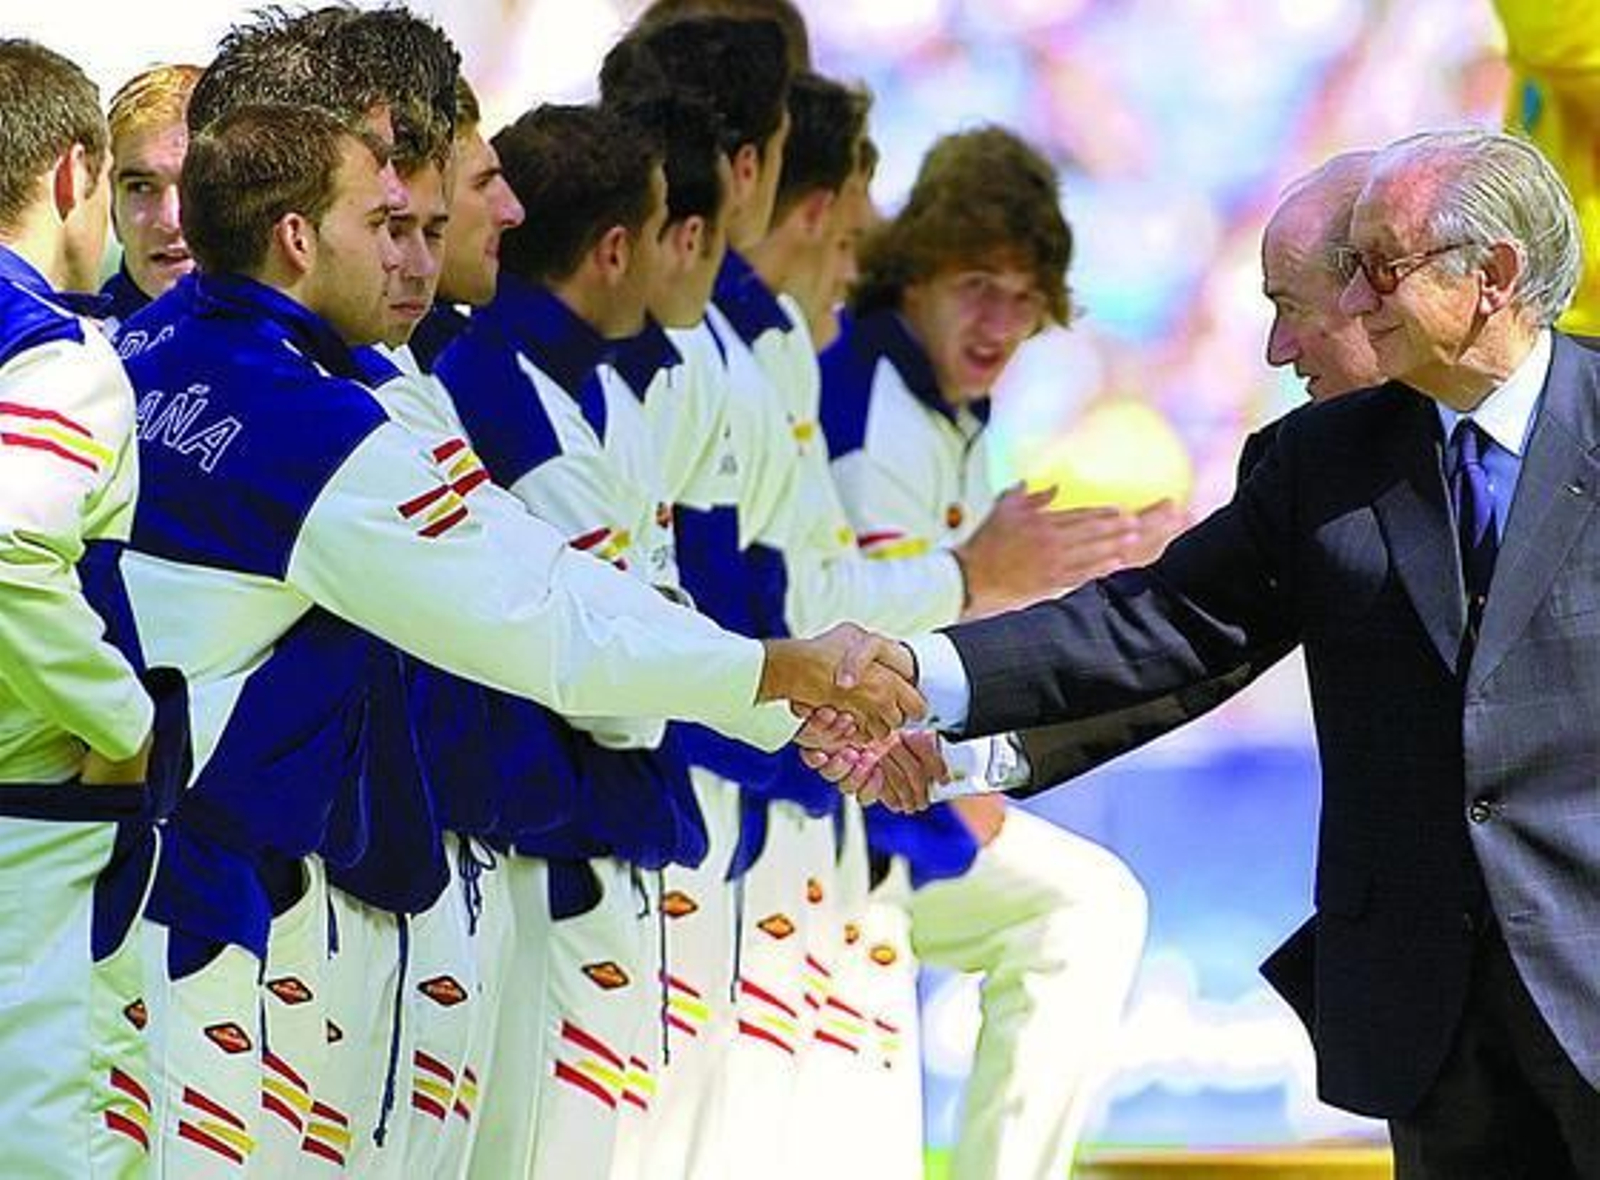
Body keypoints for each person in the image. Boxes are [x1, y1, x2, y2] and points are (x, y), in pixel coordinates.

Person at [848, 128, 1600, 1178]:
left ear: (1494, 277)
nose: (1344, 308)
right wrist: (917, 674)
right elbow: (1163, 626)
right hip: (1434, 1020)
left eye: (1377, 269)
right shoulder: (1325, 459)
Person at [811, 126, 1153, 1180]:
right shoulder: (874, 405)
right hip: (815, 801)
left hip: (847, 790)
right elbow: (851, 645)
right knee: (1082, 912)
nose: (1001, 322)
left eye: (1022, 296)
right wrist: (986, 578)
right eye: (975, 288)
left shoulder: (934, 395)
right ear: (914, 275)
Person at [0, 36, 157, 1180]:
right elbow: (8, 551)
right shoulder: (62, 356)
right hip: (29, 821)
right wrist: (124, 719)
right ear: (73, 173)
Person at [101, 63, 202, 329]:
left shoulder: (300, 340)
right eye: (141, 187)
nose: (170, 221)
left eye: (194, 185)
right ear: (112, 207)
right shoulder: (71, 348)